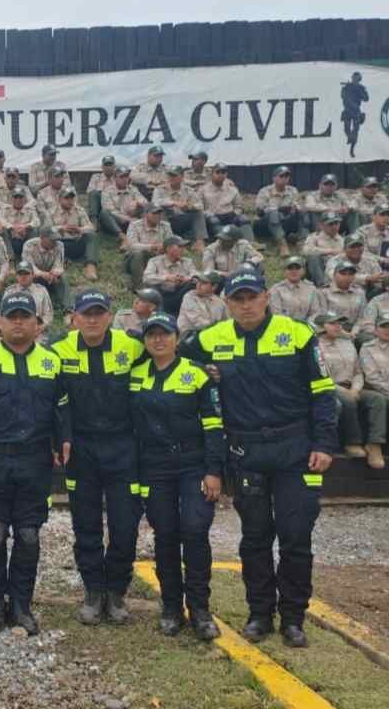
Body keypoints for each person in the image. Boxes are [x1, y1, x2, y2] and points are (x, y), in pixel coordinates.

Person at [186, 271, 336, 647]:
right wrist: (201, 372)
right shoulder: (211, 338)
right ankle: (259, 613)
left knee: (295, 535)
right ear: (227, 302)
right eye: (237, 298)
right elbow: (169, 355)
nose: (246, 304)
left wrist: (324, 443)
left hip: (295, 449)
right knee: (254, 538)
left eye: (252, 296)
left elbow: (322, 392)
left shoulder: (298, 333)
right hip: (246, 451)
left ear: (266, 297)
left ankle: (293, 618)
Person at [0, 293, 69, 633]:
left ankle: (21, 605)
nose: (18, 322)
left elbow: (63, 408)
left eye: (25, 316)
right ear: (0, 323)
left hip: (35, 461)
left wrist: (65, 440)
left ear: (37, 323)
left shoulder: (52, 361)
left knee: (29, 535)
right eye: (11, 316)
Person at [53, 290, 145, 625]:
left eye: (98, 312)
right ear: (74, 317)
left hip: (123, 448)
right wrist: (60, 438)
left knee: (125, 525)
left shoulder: (132, 344)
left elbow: (173, 354)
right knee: (86, 524)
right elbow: (52, 399)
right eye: (85, 313)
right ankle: (93, 590)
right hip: (81, 450)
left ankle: (117, 591)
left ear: (109, 315)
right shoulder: (58, 349)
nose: (92, 319)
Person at [130, 313, 223, 640]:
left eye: (164, 334)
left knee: (195, 530)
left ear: (176, 337)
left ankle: (199, 609)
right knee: (166, 533)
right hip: (154, 466)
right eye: (152, 334)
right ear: (144, 340)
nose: (158, 340)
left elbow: (213, 425)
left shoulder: (197, 374)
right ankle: (171, 607)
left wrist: (214, 470)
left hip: (192, 464)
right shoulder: (135, 373)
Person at [317, 312, 385, 468]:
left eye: (339, 323)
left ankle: (374, 445)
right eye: (332, 323)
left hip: (353, 386)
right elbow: (322, 376)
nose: (338, 326)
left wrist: (355, 388)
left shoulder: (347, 344)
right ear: (321, 327)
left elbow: (358, 372)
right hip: (329, 387)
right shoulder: (316, 346)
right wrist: (344, 391)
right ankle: (352, 442)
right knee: (347, 401)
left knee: (377, 399)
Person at [358, 313, 389, 469]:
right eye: (383, 326)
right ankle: (374, 445)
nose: (387, 329)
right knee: (380, 400)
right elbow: (372, 378)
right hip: (375, 389)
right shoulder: (368, 348)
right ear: (375, 330)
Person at [255, 166, 304, 254]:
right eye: (281, 176)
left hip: (285, 221)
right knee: (274, 214)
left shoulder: (293, 190)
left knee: (301, 213)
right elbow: (260, 210)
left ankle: (301, 240)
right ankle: (282, 244)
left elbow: (298, 204)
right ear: (274, 178)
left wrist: (295, 208)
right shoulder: (265, 191)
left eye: (287, 176)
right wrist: (278, 209)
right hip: (265, 224)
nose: (284, 178)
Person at [143, 236, 197, 315]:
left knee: (194, 283)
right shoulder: (155, 261)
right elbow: (146, 278)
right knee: (152, 286)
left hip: (180, 294)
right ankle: (159, 314)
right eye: (180, 247)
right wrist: (166, 278)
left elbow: (196, 275)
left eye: (183, 247)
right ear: (168, 249)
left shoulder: (187, 262)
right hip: (162, 295)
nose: (183, 249)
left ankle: (189, 312)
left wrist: (186, 279)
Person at [268, 257, 322, 323]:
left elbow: (315, 312)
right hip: (284, 327)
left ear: (303, 271)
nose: (294, 271)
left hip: (306, 326)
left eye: (297, 268)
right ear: (284, 272)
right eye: (290, 268)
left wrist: (306, 324)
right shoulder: (276, 289)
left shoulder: (311, 288)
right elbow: (276, 314)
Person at [178, 272, 227, 338]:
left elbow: (227, 322)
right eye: (198, 281)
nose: (199, 285)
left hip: (212, 336)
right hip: (189, 336)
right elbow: (199, 324)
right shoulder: (189, 297)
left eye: (204, 283)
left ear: (214, 287)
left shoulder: (220, 303)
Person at [302, 212, 345, 287]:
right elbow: (306, 251)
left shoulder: (342, 240)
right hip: (319, 268)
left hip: (335, 269)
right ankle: (322, 285)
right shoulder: (314, 237)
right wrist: (330, 251)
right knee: (313, 257)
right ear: (322, 225)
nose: (334, 227)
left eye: (336, 223)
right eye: (330, 224)